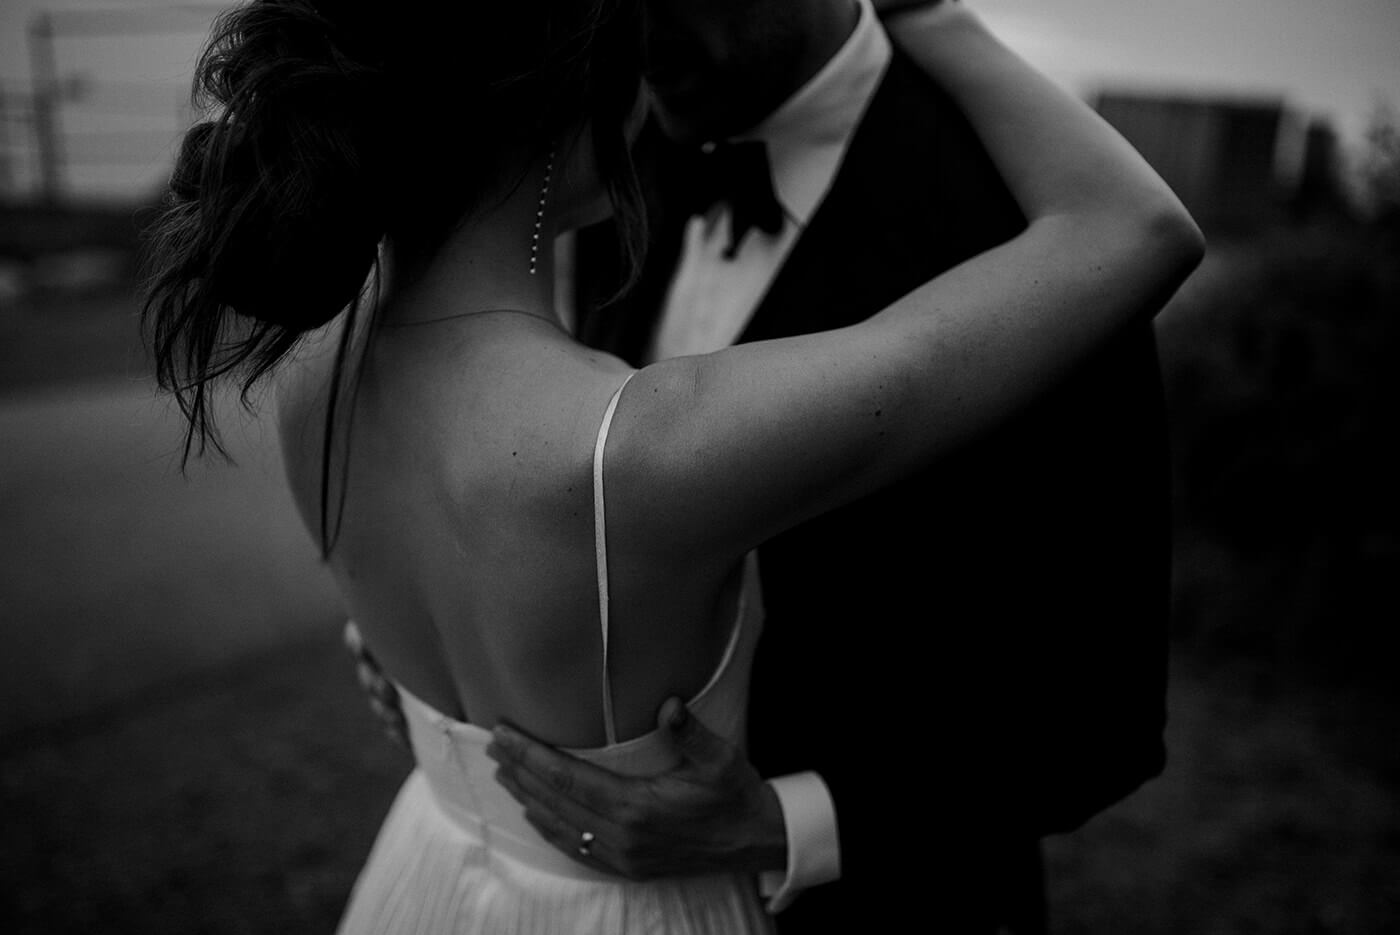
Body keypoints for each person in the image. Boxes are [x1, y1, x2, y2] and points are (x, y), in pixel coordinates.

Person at [143, 0, 1202, 932]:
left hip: (436, 873)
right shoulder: (645, 422)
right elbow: (1135, 228)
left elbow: (1097, 704)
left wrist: (442, 672)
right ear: (563, 106)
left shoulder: (312, 366)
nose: (642, 35)